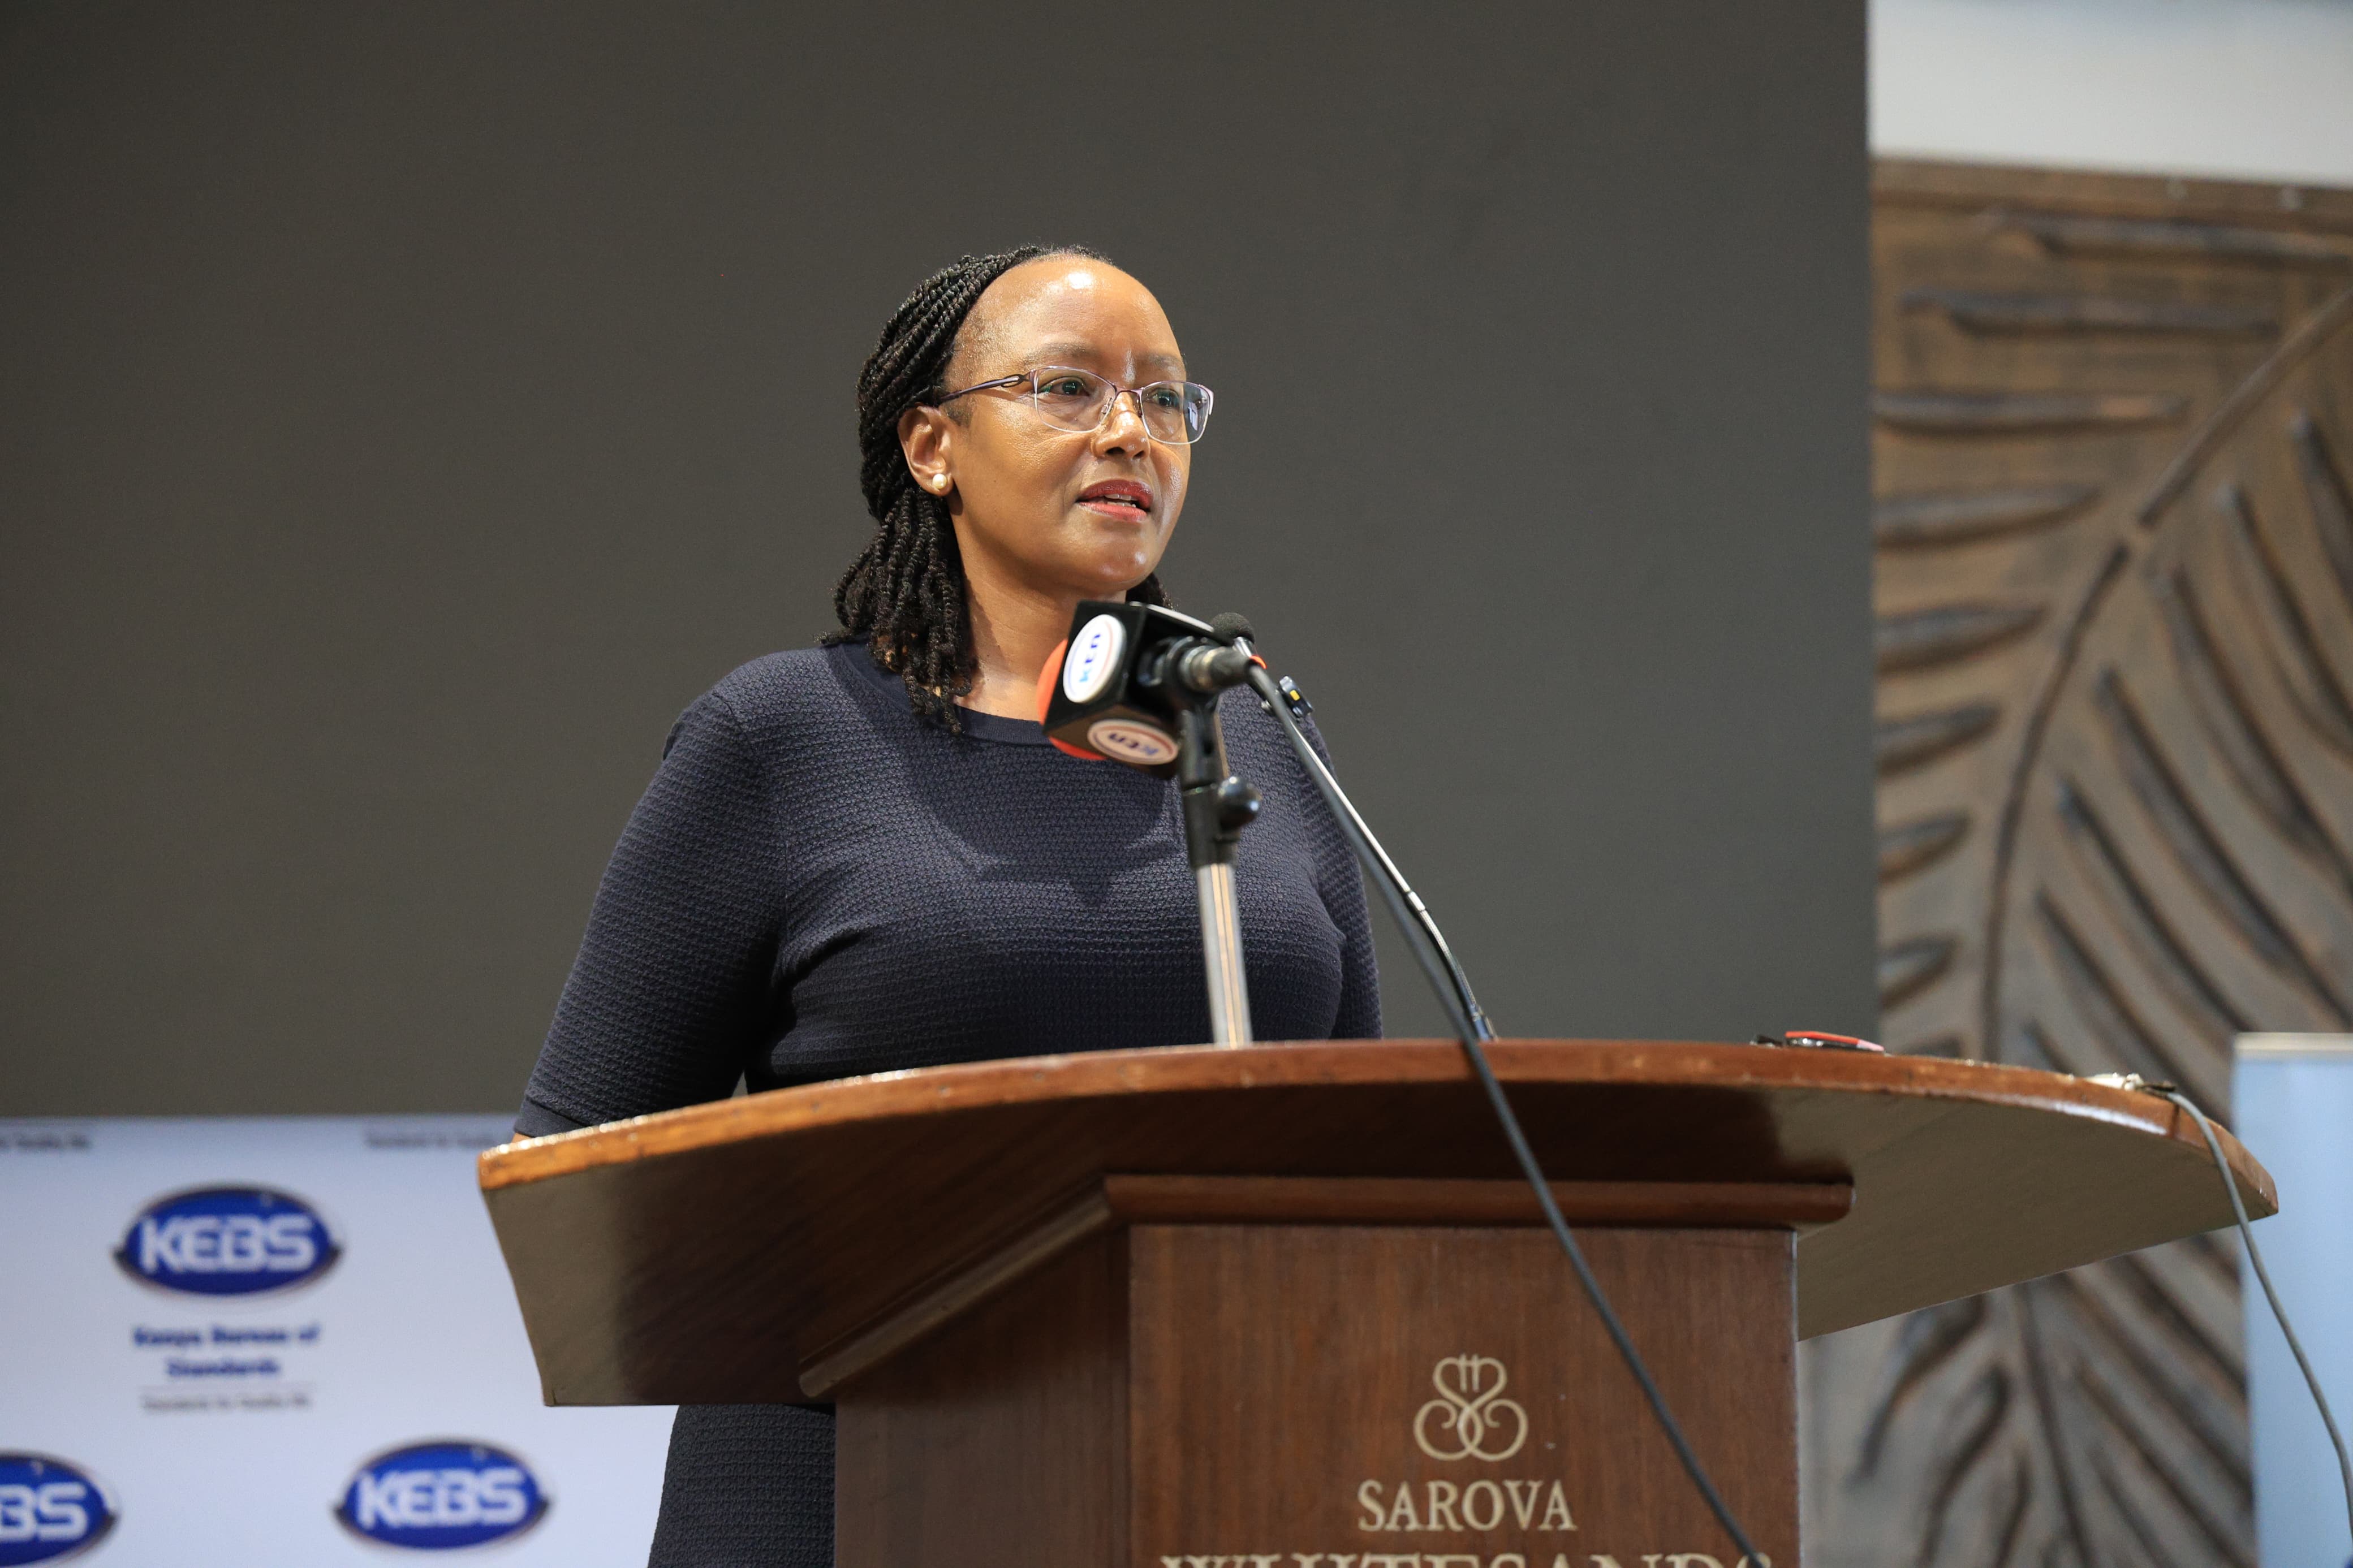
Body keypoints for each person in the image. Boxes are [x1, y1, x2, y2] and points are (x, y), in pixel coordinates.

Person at [514, 244, 1380, 1566]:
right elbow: (580, 1173)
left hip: (1207, 1486)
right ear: (932, 446)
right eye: (1068, 388)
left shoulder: (1254, 735)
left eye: (1164, 398)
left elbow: (1367, 1152)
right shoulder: (784, 737)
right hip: (844, 1495)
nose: (1129, 431)